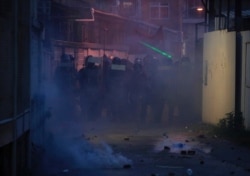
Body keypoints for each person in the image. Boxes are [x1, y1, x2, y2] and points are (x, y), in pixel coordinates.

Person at [78, 55, 101, 121]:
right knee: (85, 107)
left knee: (94, 107)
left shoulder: (97, 70)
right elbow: (79, 80)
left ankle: (93, 118)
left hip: (94, 91)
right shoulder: (83, 71)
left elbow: (100, 80)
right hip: (86, 92)